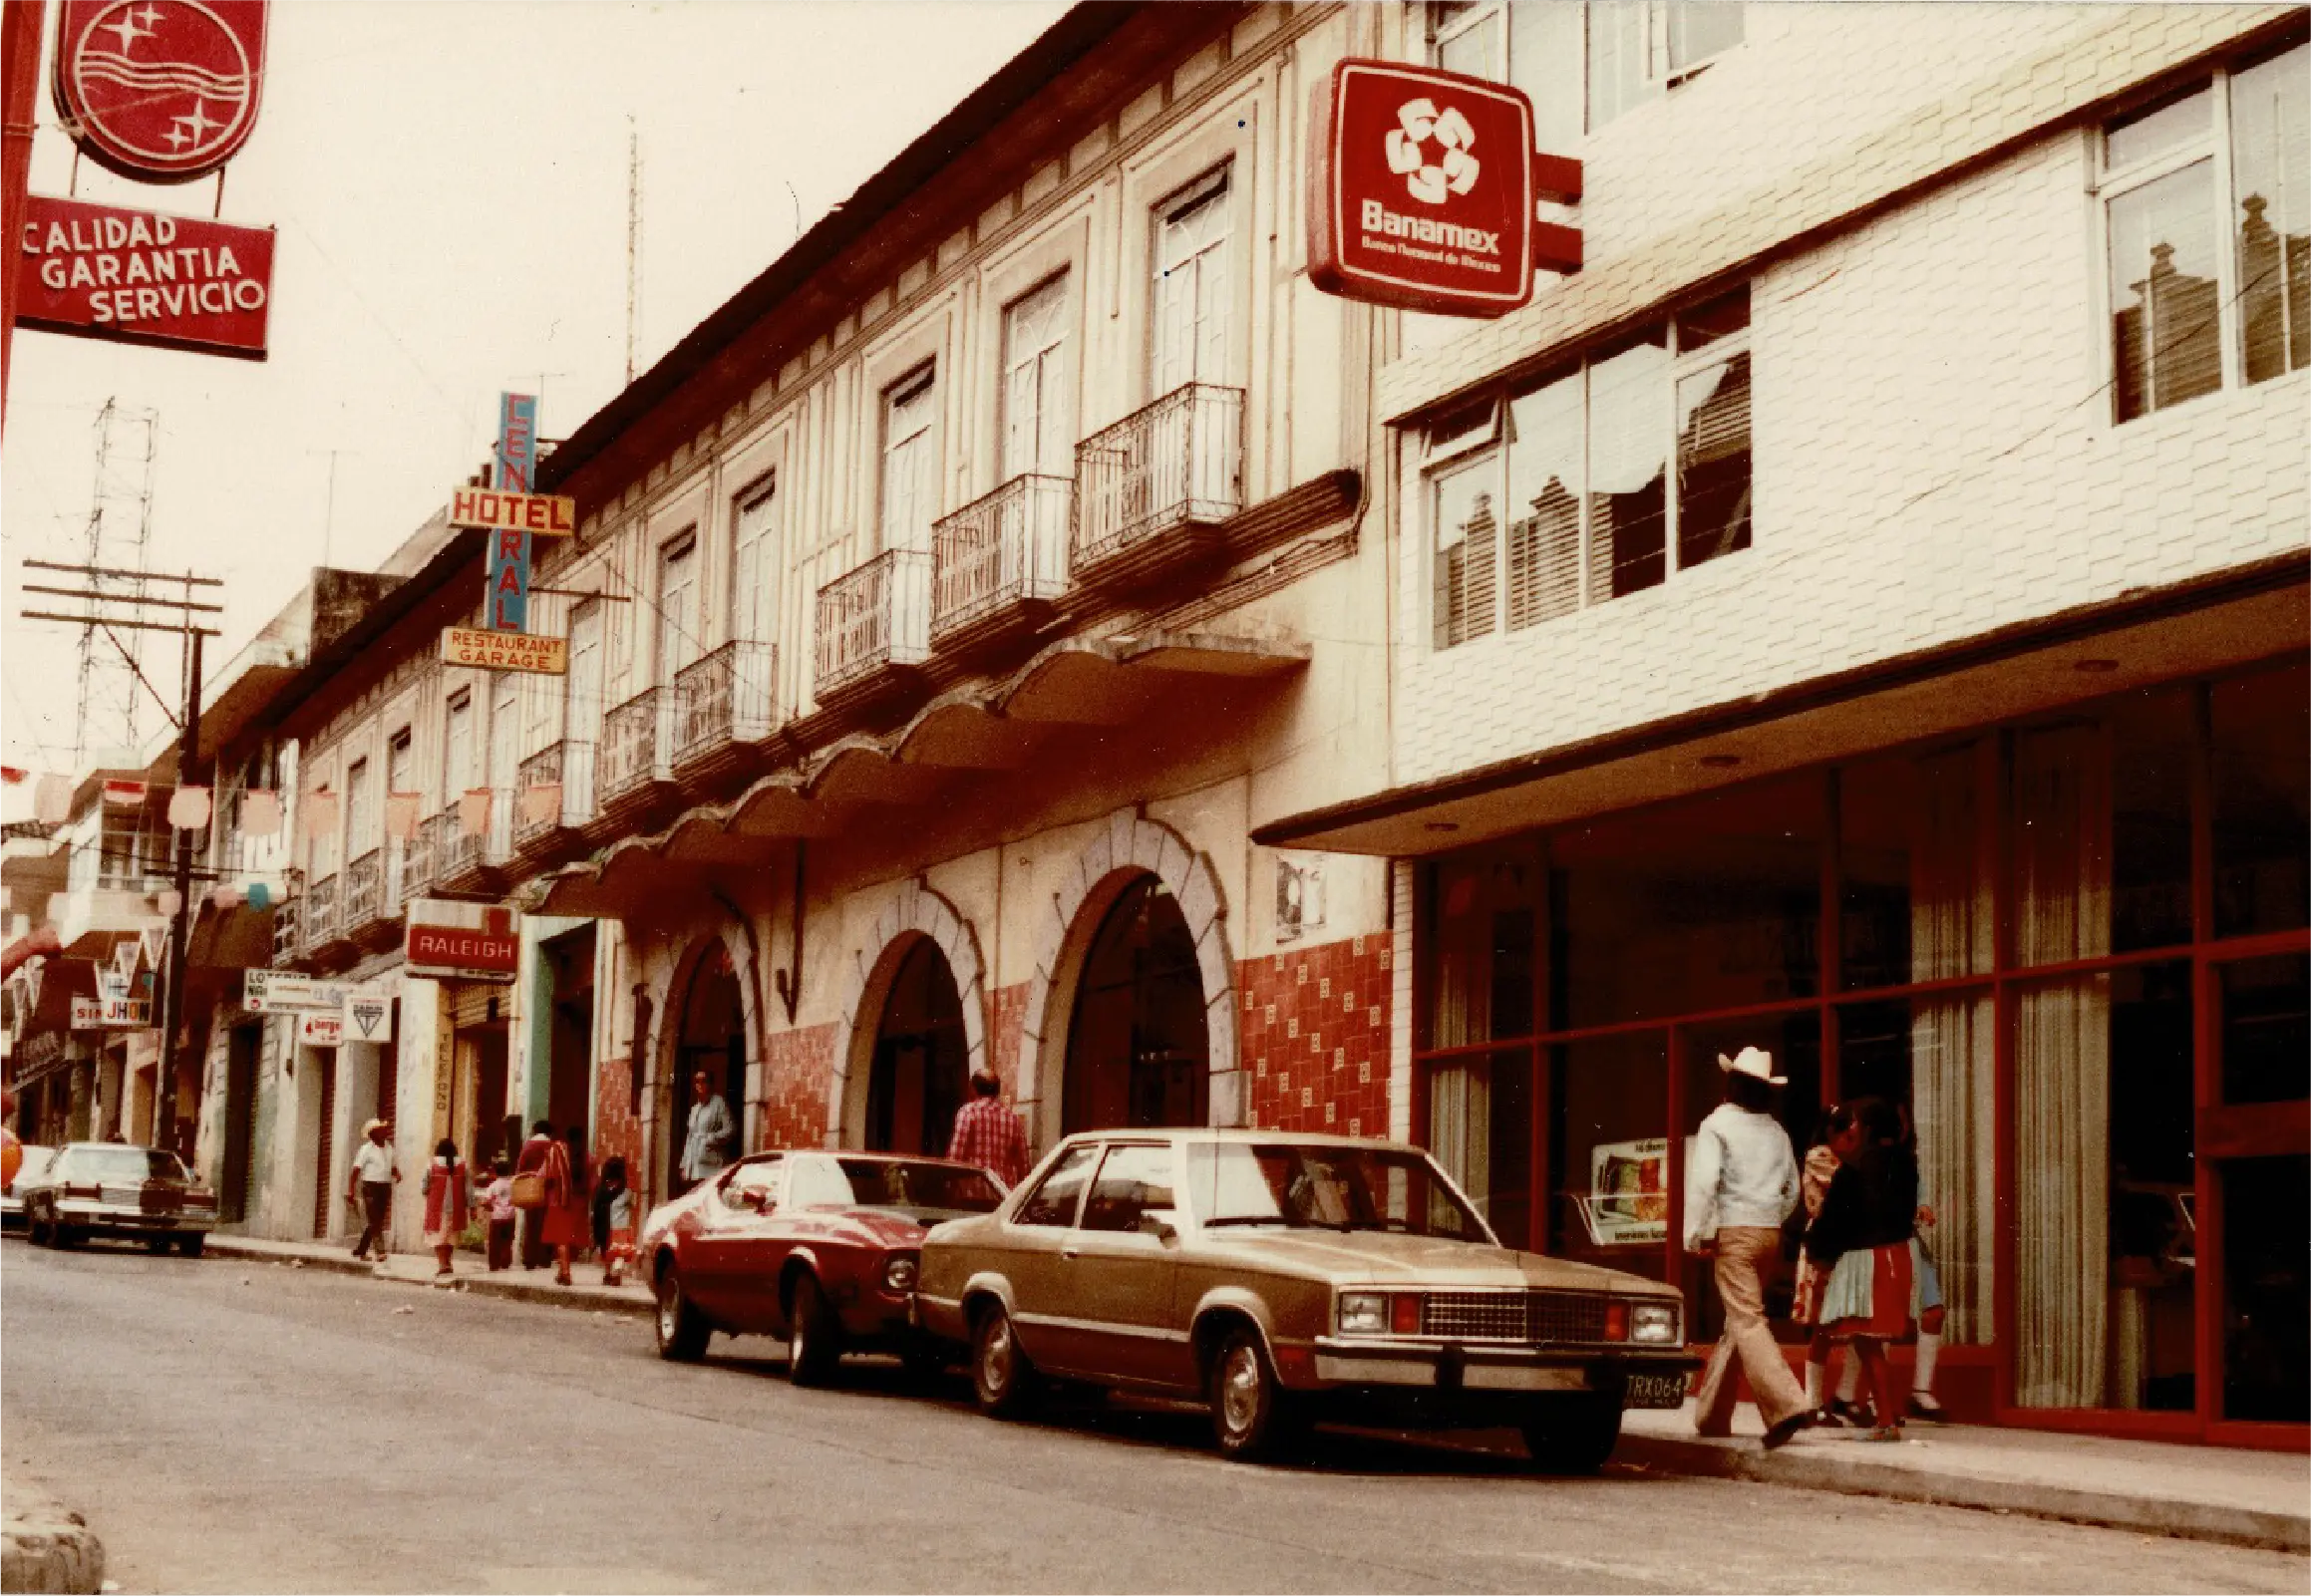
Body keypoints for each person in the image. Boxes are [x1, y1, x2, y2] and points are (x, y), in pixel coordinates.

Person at [1684, 1046, 1812, 1449]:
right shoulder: (1776, 1131)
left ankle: (1787, 1405)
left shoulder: (1715, 1126)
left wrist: (1695, 1232)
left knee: (1746, 1319)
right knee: (1739, 1321)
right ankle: (1711, 1415)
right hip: (1768, 1231)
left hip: (1734, 1231)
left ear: (1730, 1084)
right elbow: (1792, 1189)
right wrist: (1771, 1213)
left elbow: (1705, 1182)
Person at [1806, 1097, 1919, 1443]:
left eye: (1856, 1122)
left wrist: (1818, 1254)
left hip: (1864, 1258)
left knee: (1867, 1341)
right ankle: (1877, 1411)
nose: (1852, 1127)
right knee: (1873, 1341)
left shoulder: (1854, 1168)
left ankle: (1885, 1420)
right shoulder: (1906, 1163)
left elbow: (1834, 1221)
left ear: (1867, 1128)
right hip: (1898, 1255)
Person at [945, 1071, 1031, 1189]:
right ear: (997, 1091)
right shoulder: (1013, 1119)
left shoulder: (968, 1112)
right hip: (1003, 1194)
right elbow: (1024, 1165)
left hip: (973, 1191)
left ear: (973, 1089)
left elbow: (956, 1156)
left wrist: (949, 1185)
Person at [538, 1124, 591, 1288]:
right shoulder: (588, 1156)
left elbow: (546, 1174)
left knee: (561, 1239)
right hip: (579, 1201)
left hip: (560, 1200)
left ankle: (565, 1271)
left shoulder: (558, 1151)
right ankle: (562, 1272)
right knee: (572, 1237)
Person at [346, 1118, 399, 1262]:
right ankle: (380, 1251)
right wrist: (351, 1190)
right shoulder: (366, 1149)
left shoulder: (389, 1148)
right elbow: (356, 1170)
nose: (385, 1132)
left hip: (385, 1186)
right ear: (373, 1133)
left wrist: (397, 1174)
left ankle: (361, 1249)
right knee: (375, 1219)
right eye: (381, 1130)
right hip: (370, 1186)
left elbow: (392, 1166)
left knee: (377, 1220)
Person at [420, 1137, 470, 1284]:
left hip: (437, 1206)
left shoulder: (432, 1164)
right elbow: (469, 1188)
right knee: (450, 1235)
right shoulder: (462, 1164)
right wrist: (471, 1206)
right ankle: (448, 1262)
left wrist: (426, 1192)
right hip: (457, 1206)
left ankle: (442, 1264)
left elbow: (424, 1185)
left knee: (438, 1236)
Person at [680, 1071, 734, 1194]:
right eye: (697, 1082)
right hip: (694, 1167)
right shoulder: (694, 1109)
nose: (700, 1085)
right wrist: (684, 1166)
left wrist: (711, 1138)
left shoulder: (719, 1103)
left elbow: (730, 1129)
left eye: (704, 1081)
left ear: (710, 1084)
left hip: (711, 1164)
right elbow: (690, 1138)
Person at [513, 1119, 556, 1270]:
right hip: (549, 1190)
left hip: (530, 1190)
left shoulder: (528, 1146)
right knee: (547, 1224)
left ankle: (529, 1258)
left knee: (531, 1225)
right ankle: (545, 1258)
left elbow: (520, 1168)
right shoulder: (552, 1147)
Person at [594, 1155, 634, 1287]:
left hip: (605, 1227)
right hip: (621, 1227)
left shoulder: (601, 1191)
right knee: (619, 1253)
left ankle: (608, 1274)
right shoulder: (627, 1192)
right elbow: (632, 1205)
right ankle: (616, 1275)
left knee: (607, 1252)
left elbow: (596, 1211)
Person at [480, 1155, 515, 1272]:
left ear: (495, 1172)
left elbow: (485, 1201)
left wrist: (490, 1208)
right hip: (510, 1216)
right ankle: (505, 1261)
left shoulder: (493, 1186)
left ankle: (494, 1264)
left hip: (497, 1217)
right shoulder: (513, 1184)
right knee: (507, 1241)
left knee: (494, 1242)